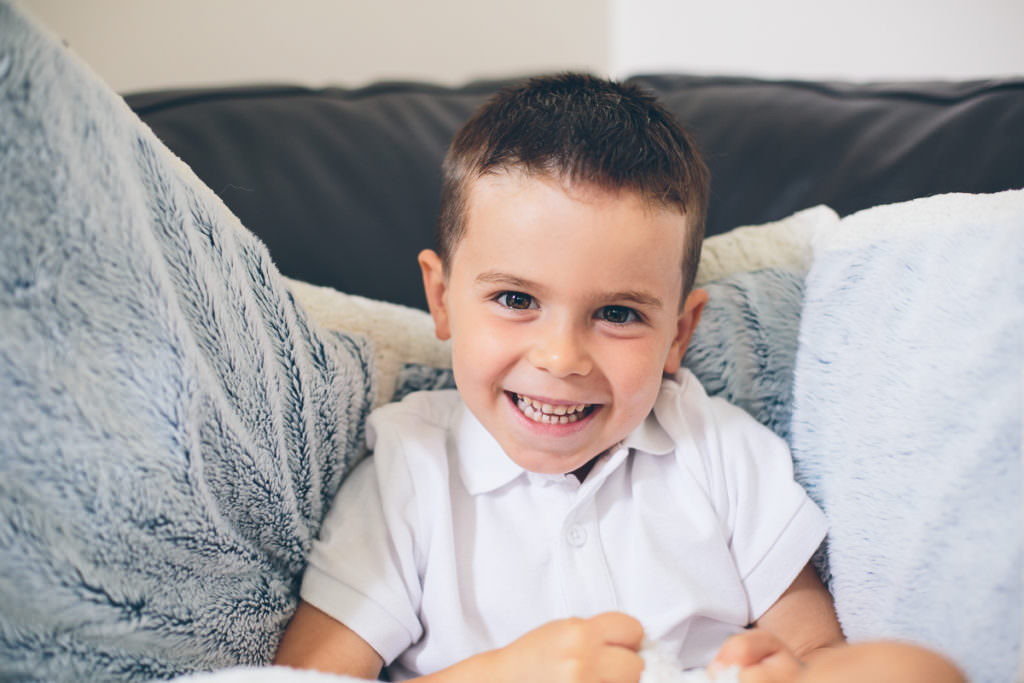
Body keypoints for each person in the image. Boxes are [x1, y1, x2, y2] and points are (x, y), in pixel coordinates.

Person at [272, 73, 955, 683]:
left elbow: (816, 644)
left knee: (913, 669)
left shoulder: (716, 449)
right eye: (516, 300)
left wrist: (785, 667)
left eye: (618, 313)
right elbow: (307, 677)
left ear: (678, 334)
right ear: (443, 299)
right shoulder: (408, 471)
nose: (562, 357)